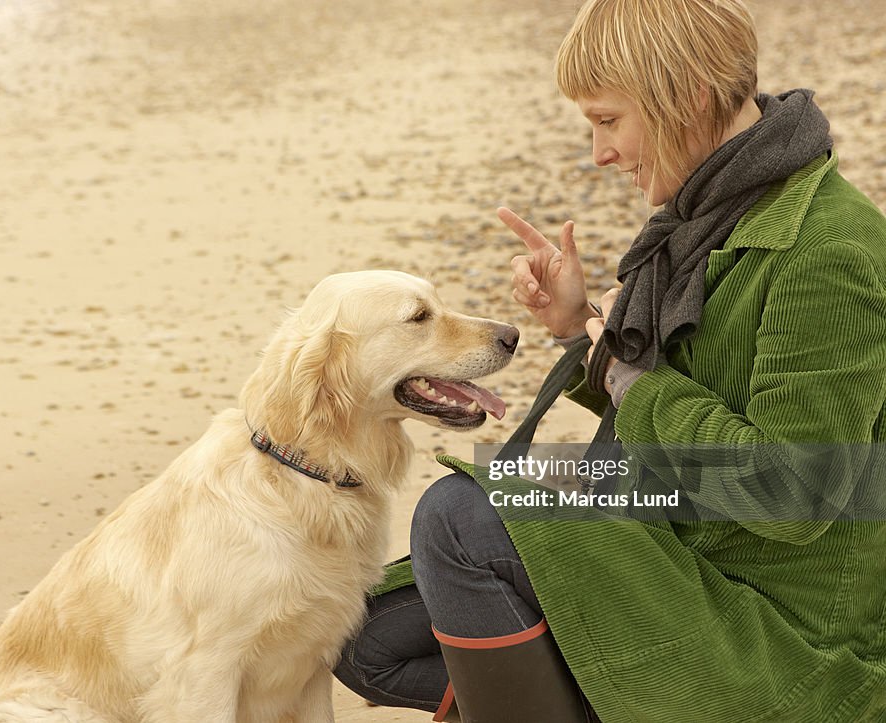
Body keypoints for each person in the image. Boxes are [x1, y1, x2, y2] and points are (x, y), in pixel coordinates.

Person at [333, 0, 886, 720]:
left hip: (785, 632)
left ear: (686, 96)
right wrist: (577, 332)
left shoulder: (828, 251)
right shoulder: (713, 218)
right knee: (363, 632)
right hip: (678, 522)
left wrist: (630, 377)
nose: (600, 154)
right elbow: (685, 409)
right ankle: (599, 688)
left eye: (606, 120)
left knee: (460, 515)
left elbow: (793, 493)